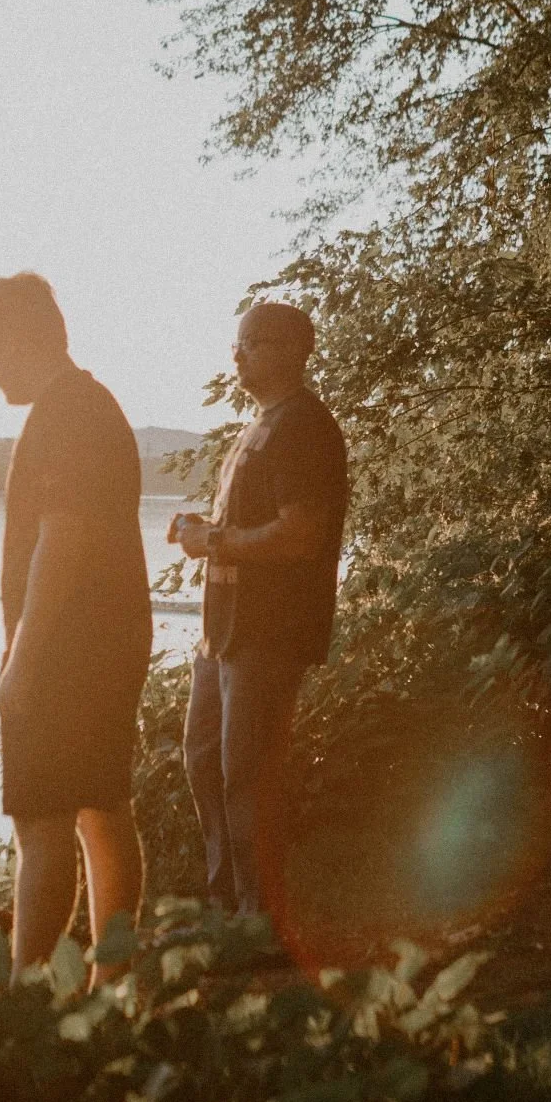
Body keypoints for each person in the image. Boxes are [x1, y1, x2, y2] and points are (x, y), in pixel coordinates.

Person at [0, 274, 152, 978]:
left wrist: (22, 660)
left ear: (20, 339)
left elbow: (62, 539)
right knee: (102, 808)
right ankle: (113, 981)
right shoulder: (86, 405)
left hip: (68, 650)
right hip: (107, 639)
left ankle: (25, 995)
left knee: (41, 824)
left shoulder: (69, 413)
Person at [169, 300, 348, 924]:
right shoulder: (260, 424)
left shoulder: (304, 427)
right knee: (201, 760)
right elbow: (249, 525)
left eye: (253, 342)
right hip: (223, 633)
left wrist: (216, 540)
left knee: (247, 774)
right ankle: (226, 900)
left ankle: (261, 915)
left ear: (296, 349)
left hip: (270, 633)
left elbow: (300, 534)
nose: (238, 353)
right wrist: (205, 528)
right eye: (237, 342)